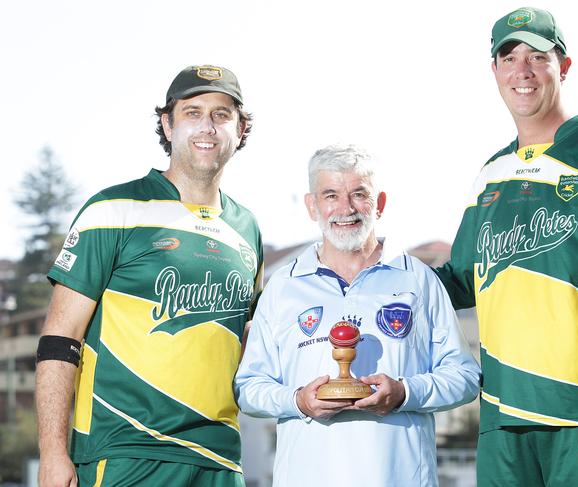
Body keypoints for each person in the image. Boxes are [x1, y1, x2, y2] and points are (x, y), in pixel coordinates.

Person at [434, 7, 578, 486]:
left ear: (564, 66)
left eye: (537, 56)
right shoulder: (491, 174)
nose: (522, 70)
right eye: (508, 57)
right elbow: (459, 280)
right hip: (502, 423)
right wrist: (374, 272)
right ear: (494, 72)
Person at [35, 65, 264, 487]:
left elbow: (247, 341)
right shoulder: (113, 210)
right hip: (124, 451)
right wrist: (52, 454)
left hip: (221, 458)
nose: (207, 127)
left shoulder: (247, 229)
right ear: (167, 123)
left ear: (241, 128)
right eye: (192, 112)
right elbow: (59, 337)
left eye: (221, 114)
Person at [235, 144, 480, 487]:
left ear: (379, 203)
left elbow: (465, 377)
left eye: (359, 194)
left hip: (399, 477)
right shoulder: (283, 287)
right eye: (331, 195)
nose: (346, 208)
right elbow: (248, 388)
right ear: (312, 205)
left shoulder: (418, 279)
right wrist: (298, 400)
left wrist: (405, 393)